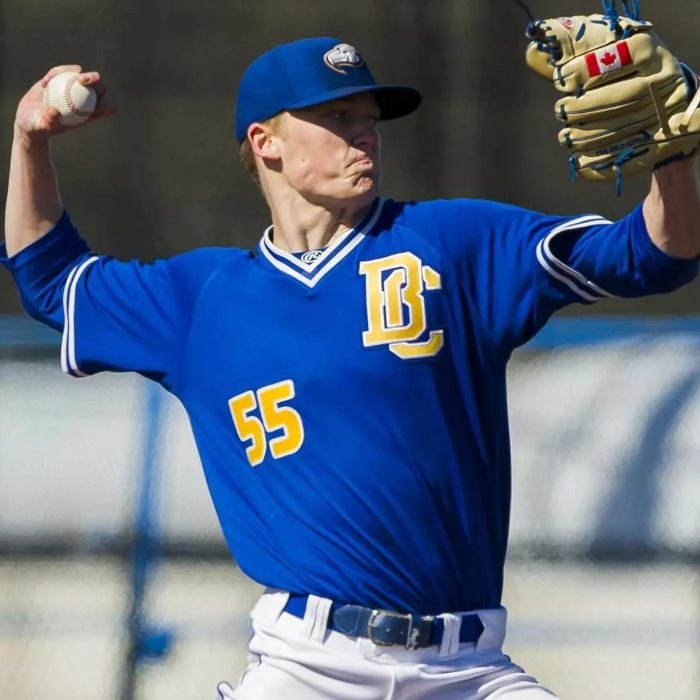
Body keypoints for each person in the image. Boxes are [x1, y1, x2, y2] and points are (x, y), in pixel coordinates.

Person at [2, 34, 699, 700]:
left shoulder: (452, 243)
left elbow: (653, 255)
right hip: (310, 667)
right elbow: (50, 280)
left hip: (469, 669)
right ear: (266, 142)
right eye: (338, 118)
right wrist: (29, 141)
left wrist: (672, 157)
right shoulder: (200, 300)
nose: (364, 134)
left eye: (370, 119)